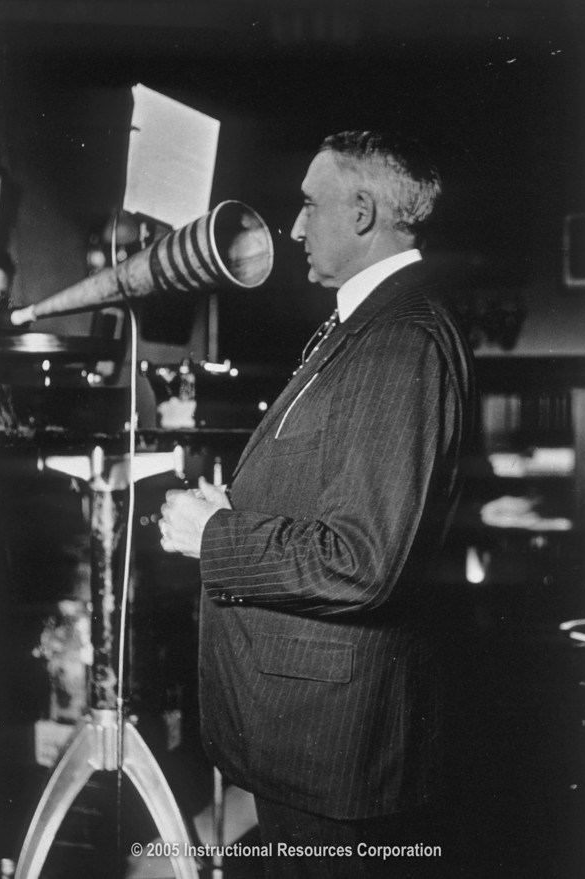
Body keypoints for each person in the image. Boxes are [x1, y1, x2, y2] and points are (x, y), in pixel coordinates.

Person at [159, 130, 475, 877]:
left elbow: (362, 561)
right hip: (315, 739)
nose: (295, 227)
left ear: (362, 211)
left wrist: (215, 536)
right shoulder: (370, 324)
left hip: (337, 749)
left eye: (309, 205)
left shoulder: (400, 338)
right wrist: (239, 509)